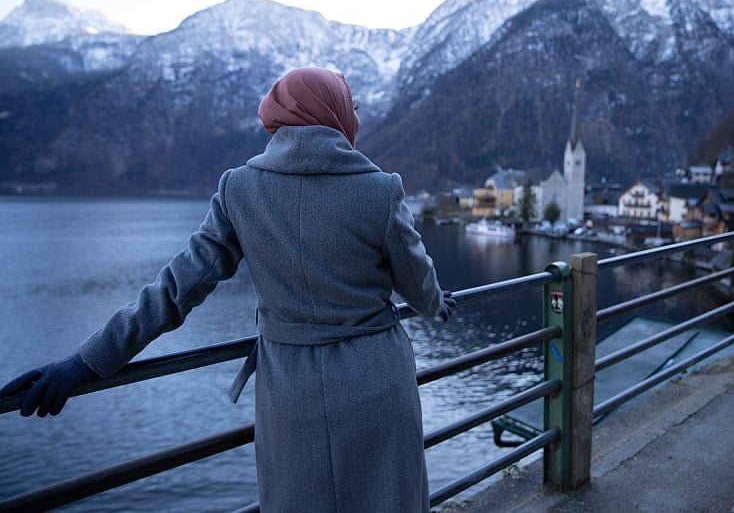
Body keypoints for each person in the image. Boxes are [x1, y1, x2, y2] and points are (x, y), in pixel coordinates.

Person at [1, 67, 455, 512]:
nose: (355, 115)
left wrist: (85, 362)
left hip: (290, 392)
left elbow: (176, 288)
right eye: (351, 106)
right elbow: (418, 286)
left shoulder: (240, 188)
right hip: (375, 382)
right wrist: (436, 303)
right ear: (334, 113)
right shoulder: (379, 189)